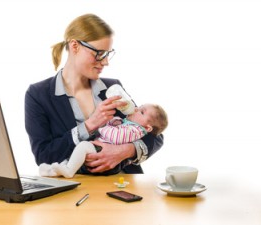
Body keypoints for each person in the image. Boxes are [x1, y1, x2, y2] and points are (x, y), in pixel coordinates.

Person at [25, 13, 165, 176]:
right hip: (73, 186)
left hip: (121, 184)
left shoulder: (112, 88)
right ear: (75, 46)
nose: (105, 62)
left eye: (107, 54)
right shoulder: (38, 94)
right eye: (99, 53)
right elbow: (44, 156)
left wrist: (125, 150)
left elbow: (154, 132)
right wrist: (89, 125)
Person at [39, 104, 168, 178]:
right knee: (73, 156)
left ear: (147, 127)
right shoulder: (131, 124)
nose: (135, 108)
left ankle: (68, 171)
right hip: (96, 152)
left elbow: (116, 136)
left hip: (107, 162)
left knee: (83, 146)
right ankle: (53, 171)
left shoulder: (135, 130)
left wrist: (102, 126)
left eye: (141, 111)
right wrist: (113, 122)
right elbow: (117, 126)